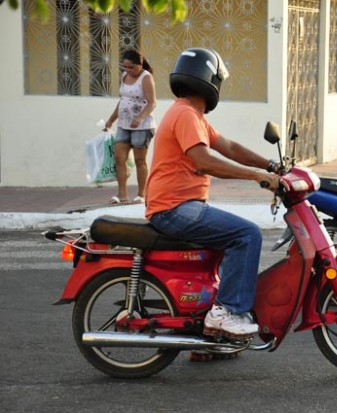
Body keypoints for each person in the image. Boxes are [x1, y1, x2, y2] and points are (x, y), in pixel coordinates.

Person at [145, 48, 280, 340]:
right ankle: (226, 312)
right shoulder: (185, 114)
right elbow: (204, 161)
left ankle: (209, 329)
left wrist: (271, 165)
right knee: (247, 235)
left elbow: (229, 147)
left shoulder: (190, 115)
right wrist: (256, 176)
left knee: (227, 242)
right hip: (174, 208)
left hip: (177, 206)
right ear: (210, 80)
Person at [104, 49, 157, 204]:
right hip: (124, 124)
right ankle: (122, 195)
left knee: (140, 160)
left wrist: (140, 117)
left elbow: (152, 102)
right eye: (125, 67)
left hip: (142, 126)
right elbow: (123, 101)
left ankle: (141, 194)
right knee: (119, 157)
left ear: (140, 65)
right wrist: (111, 120)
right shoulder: (124, 76)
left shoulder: (146, 78)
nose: (128, 70)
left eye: (131, 67)